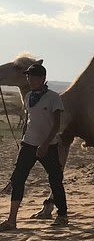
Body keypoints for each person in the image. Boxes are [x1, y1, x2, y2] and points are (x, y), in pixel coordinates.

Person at [1, 63, 68, 231]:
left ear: (42, 78)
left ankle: (62, 215)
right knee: (17, 179)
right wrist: (23, 140)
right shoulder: (29, 96)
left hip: (48, 146)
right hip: (29, 144)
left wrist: (45, 144)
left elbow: (56, 125)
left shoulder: (54, 97)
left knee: (55, 180)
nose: (29, 79)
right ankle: (11, 220)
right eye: (28, 76)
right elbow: (29, 120)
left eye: (32, 76)